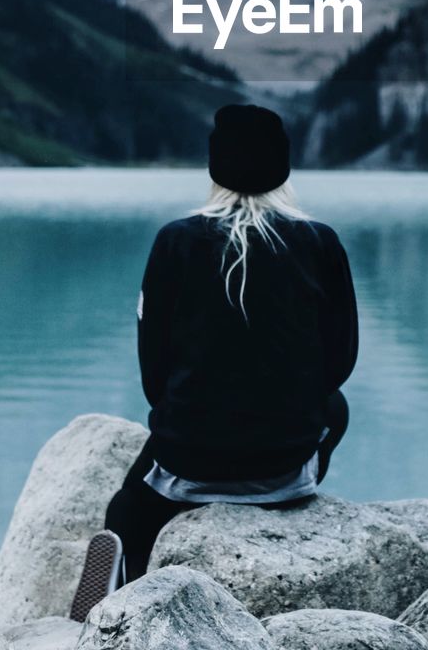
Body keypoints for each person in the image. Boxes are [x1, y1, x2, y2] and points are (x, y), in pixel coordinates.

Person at [69, 103, 359, 621]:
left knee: (125, 510)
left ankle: (124, 601)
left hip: (190, 458)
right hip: (283, 462)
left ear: (214, 167)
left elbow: (154, 376)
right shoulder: (322, 243)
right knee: (336, 407)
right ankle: (291, 493)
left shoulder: (175, 241)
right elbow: (340, 364)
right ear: (283, 168)